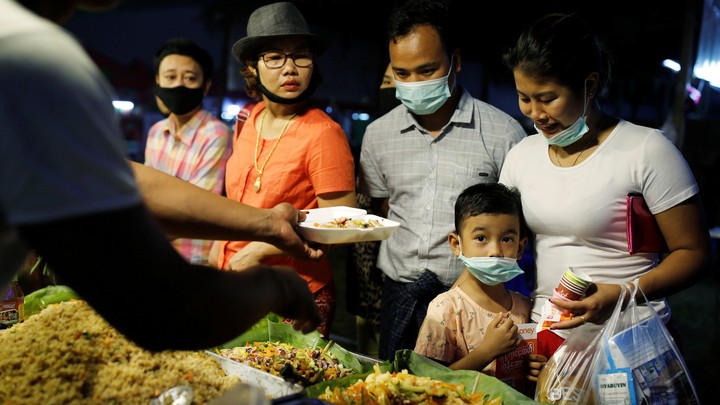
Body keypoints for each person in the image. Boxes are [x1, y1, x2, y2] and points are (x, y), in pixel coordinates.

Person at [1, 0, 323, 352]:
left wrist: (268, 223)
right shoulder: (29, 56)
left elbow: (128, 181)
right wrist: (276, 287)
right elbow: (164, 307)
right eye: (274, 57)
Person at [499, 13, 711, 367]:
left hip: (629, 340)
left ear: (590, 85)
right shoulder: (521, 155)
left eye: (548, 98)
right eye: (524, 98)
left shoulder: (646, 149)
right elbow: (499, 241)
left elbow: (694, 253)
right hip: (549, 339)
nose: (535, 113)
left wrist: (622, 294)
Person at [358, 0, 527, 361]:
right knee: (395, 391)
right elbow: (382, 206)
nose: (414, 84)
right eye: (402, 74)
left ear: (456, 61)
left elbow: (518, 222)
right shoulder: (378, 135)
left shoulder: (502, 133)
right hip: (401, 294)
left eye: (427, 70)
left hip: (479, 299)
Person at [215, 2, 358, 338]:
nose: (290, 68)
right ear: (253, 67)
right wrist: (218, 247)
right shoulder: (247, 118)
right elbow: (237, 196)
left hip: (294, 293)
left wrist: (261, 249)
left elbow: (343, 221)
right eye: (275, 57)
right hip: (236, 279)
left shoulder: (323, 132)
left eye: (300, 56)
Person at [414, 183, 531, 376]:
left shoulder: (525, 308)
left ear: (520, 248)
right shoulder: (446, 310)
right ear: (456, 244)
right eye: (481, 238)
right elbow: (427, 380)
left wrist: (531, 367)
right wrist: (486, 352)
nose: (495, 251)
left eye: (507, 239)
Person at [145, 37, 232, 265]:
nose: (178, 85)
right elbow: (147, 196)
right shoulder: (156, 132)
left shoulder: (216, 134)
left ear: (206, 86)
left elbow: (196, 209)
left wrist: (138, 233)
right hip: (154, 255)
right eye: (170, 77)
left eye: (190, 78)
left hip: (195, 261)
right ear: (158, 81)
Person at [347, 61, 401, 358]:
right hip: (363, 262)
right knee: (364, 337)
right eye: (385, 80)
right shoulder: (373, 136)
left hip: (394, 267)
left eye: (397, 80)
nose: (389, 88)